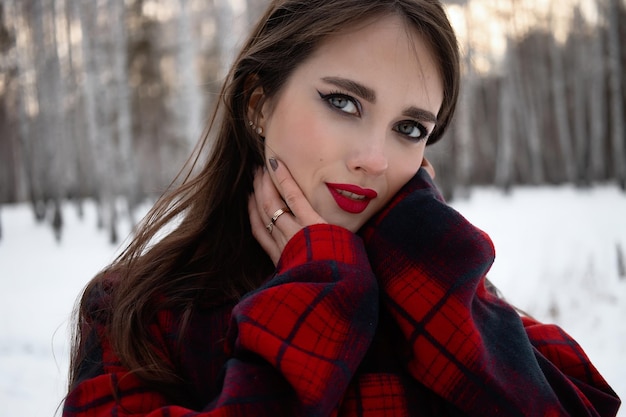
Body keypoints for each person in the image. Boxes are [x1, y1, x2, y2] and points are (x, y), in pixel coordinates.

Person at [63, 0, 621, 416]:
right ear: (258, 104)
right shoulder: (138, 313)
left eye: (409, 128)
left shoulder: (440, 295)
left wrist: (423, 252)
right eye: (343, 102)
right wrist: (320, 292)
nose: (375, 159)